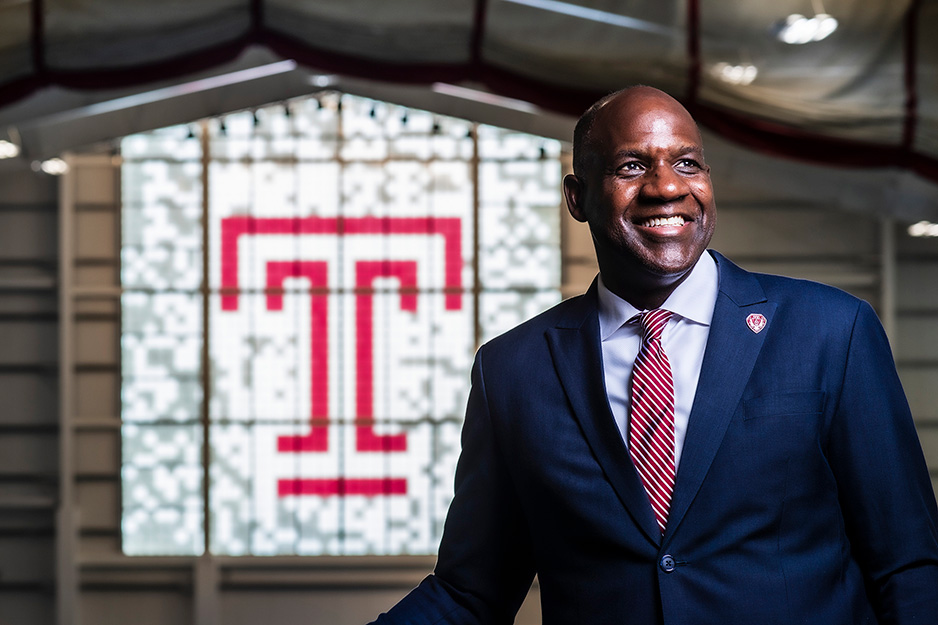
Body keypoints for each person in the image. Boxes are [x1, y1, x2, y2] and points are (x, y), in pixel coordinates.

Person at [369, 86, 938, 624]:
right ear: (577, 197)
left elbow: (908, 565)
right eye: (630, 166)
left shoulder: (831, 331)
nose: (667, 187)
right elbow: (472, 590)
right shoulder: (512, 371)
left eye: (687, 163)